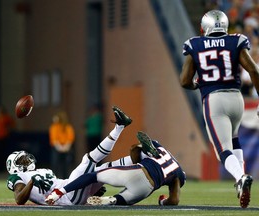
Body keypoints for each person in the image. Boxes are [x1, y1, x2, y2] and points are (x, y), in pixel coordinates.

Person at [179, 9, 259, 208]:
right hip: (237, 99)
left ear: (203, 27)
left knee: (222, 150)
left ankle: (240, 177)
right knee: (234, 140)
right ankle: (240, 182)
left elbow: (184, 80)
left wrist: (198, 84)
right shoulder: (236, 40)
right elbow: (253, 69)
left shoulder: (194, 44)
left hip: (214, 100)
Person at [6, 106, 133, 205]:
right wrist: (32, 182)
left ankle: (137, 158)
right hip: (66, 197)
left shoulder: (43, 170)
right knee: (88, 159)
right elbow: (19, 199)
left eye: (25, 158)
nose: (27, 160)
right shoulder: (17, 176)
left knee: (104, 168)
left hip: (69, 189)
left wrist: (87, 189)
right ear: (14, 166)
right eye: (22, 160)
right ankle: (120, 126)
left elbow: (59, 183)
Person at [45, 131, 186, 206]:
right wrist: (162, 201)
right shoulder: (179, 173)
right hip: (147, 188)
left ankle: (59, 192)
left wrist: (138, 150)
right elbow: (174, 200)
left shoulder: (159, 147)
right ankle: (110, 200)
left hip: (138, 172)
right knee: (121, 200)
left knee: (94, 175)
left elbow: (134, 156)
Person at [49, 111, 75, 178]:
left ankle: (65, 179)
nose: (53, 118)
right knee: (55, 165)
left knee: (66, 166)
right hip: (56, 148)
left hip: (66, 149)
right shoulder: (54, 127)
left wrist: (65, 147)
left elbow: (70, 138)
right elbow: (54, 139)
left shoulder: (68, 127)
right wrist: (60, 148)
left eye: (55, 116)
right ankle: (55, 179)